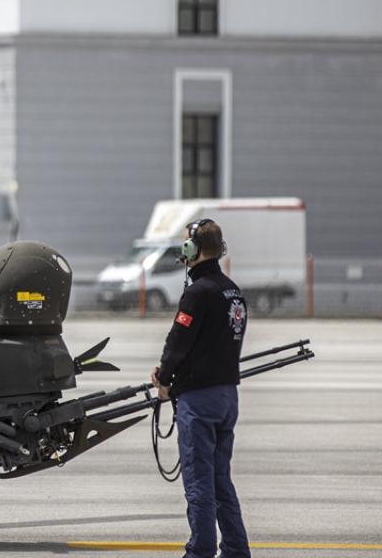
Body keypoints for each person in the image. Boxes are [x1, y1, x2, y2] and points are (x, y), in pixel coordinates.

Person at [150, 219, 250, 558]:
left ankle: (201, 551)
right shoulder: (232, 291)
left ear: (192, 249)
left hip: (200, 399)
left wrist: (164, 379)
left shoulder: (198, 293)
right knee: (221, 479)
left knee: (199, 483)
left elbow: (179, 342)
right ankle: (236, 549)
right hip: (227, 396)